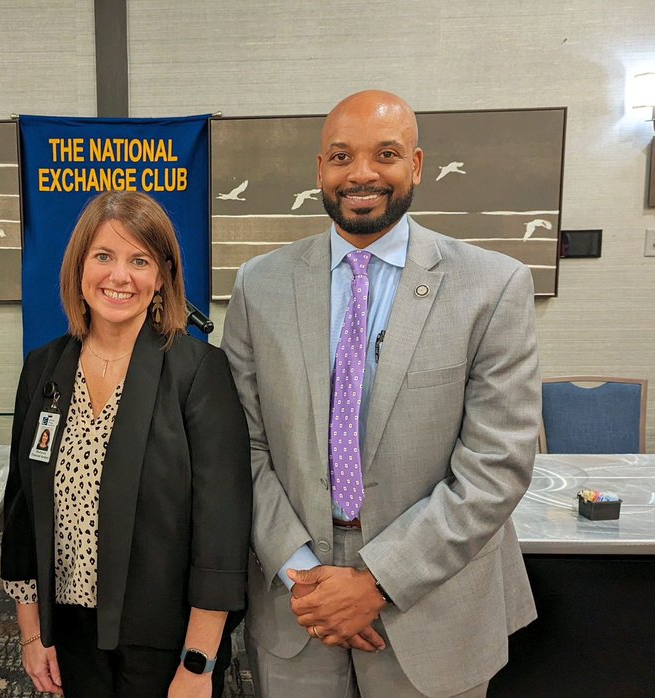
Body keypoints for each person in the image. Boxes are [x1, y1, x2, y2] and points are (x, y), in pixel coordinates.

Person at [222, 90, 540, 697]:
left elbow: (496, 465)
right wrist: (303, 575)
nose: (361, 173)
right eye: (342, 156)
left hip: (432, 604)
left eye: (385, 154)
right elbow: (242, 446)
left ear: (415, 166)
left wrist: (377, 582)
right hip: (297, 606)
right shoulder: (260, 285)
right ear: (320, 170)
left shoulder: (493, 286)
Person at [1, 191, 251, 697]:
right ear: (79, 267)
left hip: (166, 645)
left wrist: (198, 663)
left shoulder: (198, 372)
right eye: (103, 256)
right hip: (69, 636)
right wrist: (31, 632)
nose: (119, 276)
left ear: (161, 277)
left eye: (140, 261)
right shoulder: (43, 369)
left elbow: (221, 533)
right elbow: (22, 509)